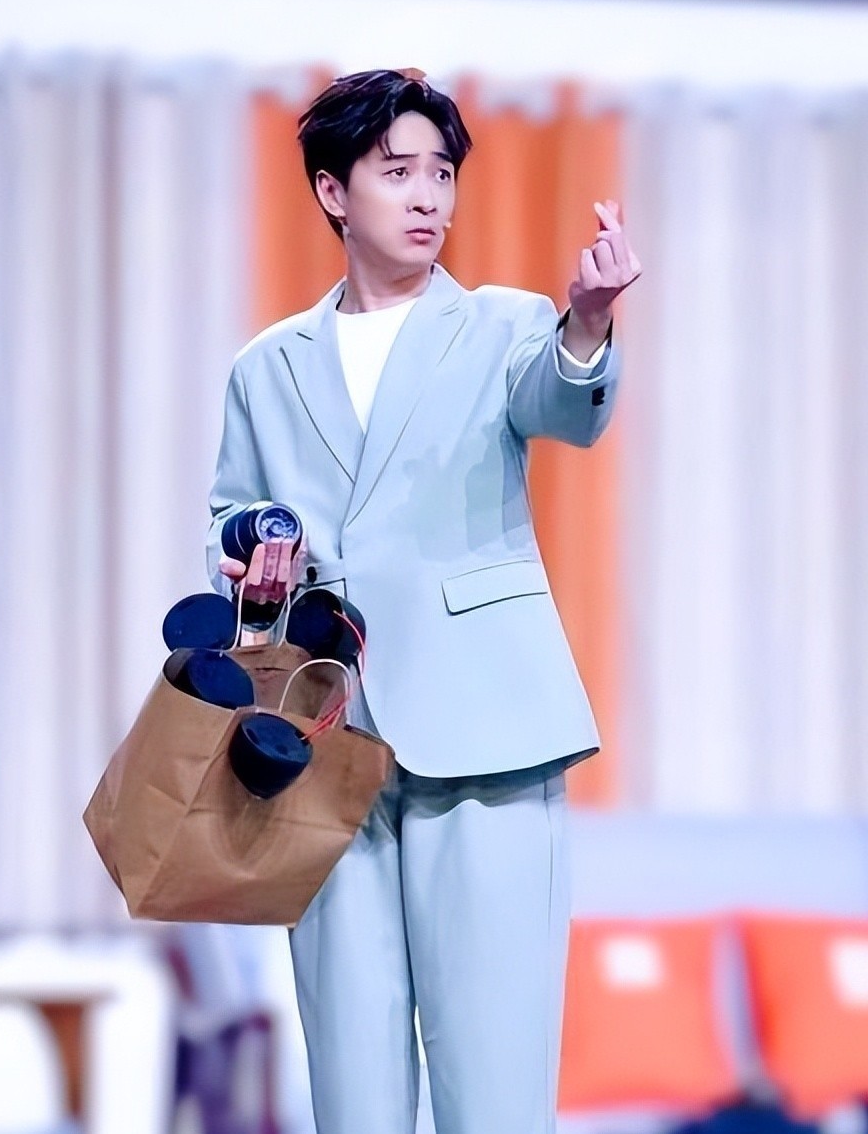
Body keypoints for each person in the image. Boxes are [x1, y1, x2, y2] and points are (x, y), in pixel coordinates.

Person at [205, 68, 641, 1134]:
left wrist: (587, 320)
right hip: (326, 743)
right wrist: (249, 559)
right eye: (396, 171)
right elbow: (231, 519)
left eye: (440, 173)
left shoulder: (503, 324)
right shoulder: (266, 366)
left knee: (492, 1082)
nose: (426, 196)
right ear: (332, 192)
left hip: (483, 733)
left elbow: (563, 403)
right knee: (351, 1085)